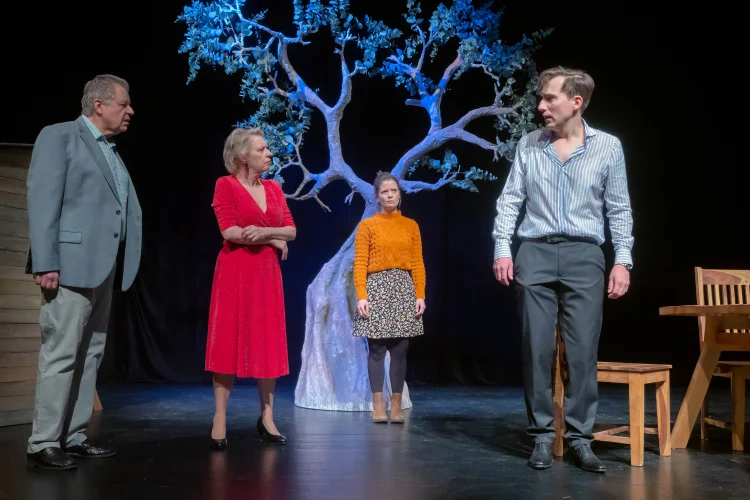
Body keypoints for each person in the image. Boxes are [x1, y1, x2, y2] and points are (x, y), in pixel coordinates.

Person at [492, 66, 633, 473]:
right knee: (535, 347)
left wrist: (622, 260)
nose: (541, 106)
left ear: (576, 102)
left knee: (583, 352)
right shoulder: (530, 145)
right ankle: (540, 436)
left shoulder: (607, 147)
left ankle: (579, 439)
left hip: (585, 254)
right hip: (534, 251)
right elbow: (510, 200)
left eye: (549, 98)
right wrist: (503, 248)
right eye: (541, 98)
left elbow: (619, 209)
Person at [25, 74, 142, 470]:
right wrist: (46, 261)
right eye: (124, 104)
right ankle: (43, 442)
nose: (130, 111)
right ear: (99, 105)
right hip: (69, 266)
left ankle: (73, 435)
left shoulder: (109, 149)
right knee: (60, 352)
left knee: (90, 353)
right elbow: (42, 198)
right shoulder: (59, 136)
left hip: (102, 265)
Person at [206, 127, 296, 449]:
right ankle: (219, 418)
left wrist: (270, 233)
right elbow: (227, 229)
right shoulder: (225, 185)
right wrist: (269, 236)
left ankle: (267, 416)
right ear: (243, 156)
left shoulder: (273, 188)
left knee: (267, 339)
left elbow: (292, 229)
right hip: (235, 270)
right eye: (262, 149)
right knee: (227, 338)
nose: (269, 153)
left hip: (265, 272)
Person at [353, 171, 426, 423]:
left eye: (393, 190)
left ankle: (395, 405)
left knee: (400, 348)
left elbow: (418, 263)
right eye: (385, 191)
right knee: (376, 348)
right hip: (376, 288)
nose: (390, 194)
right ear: (377, 197)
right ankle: (378, 406)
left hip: (403, 287)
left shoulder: (411, 225)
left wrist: (420, 294)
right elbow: (360, 263)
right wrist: (361, 295)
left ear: (399, 194)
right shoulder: (367, 226)